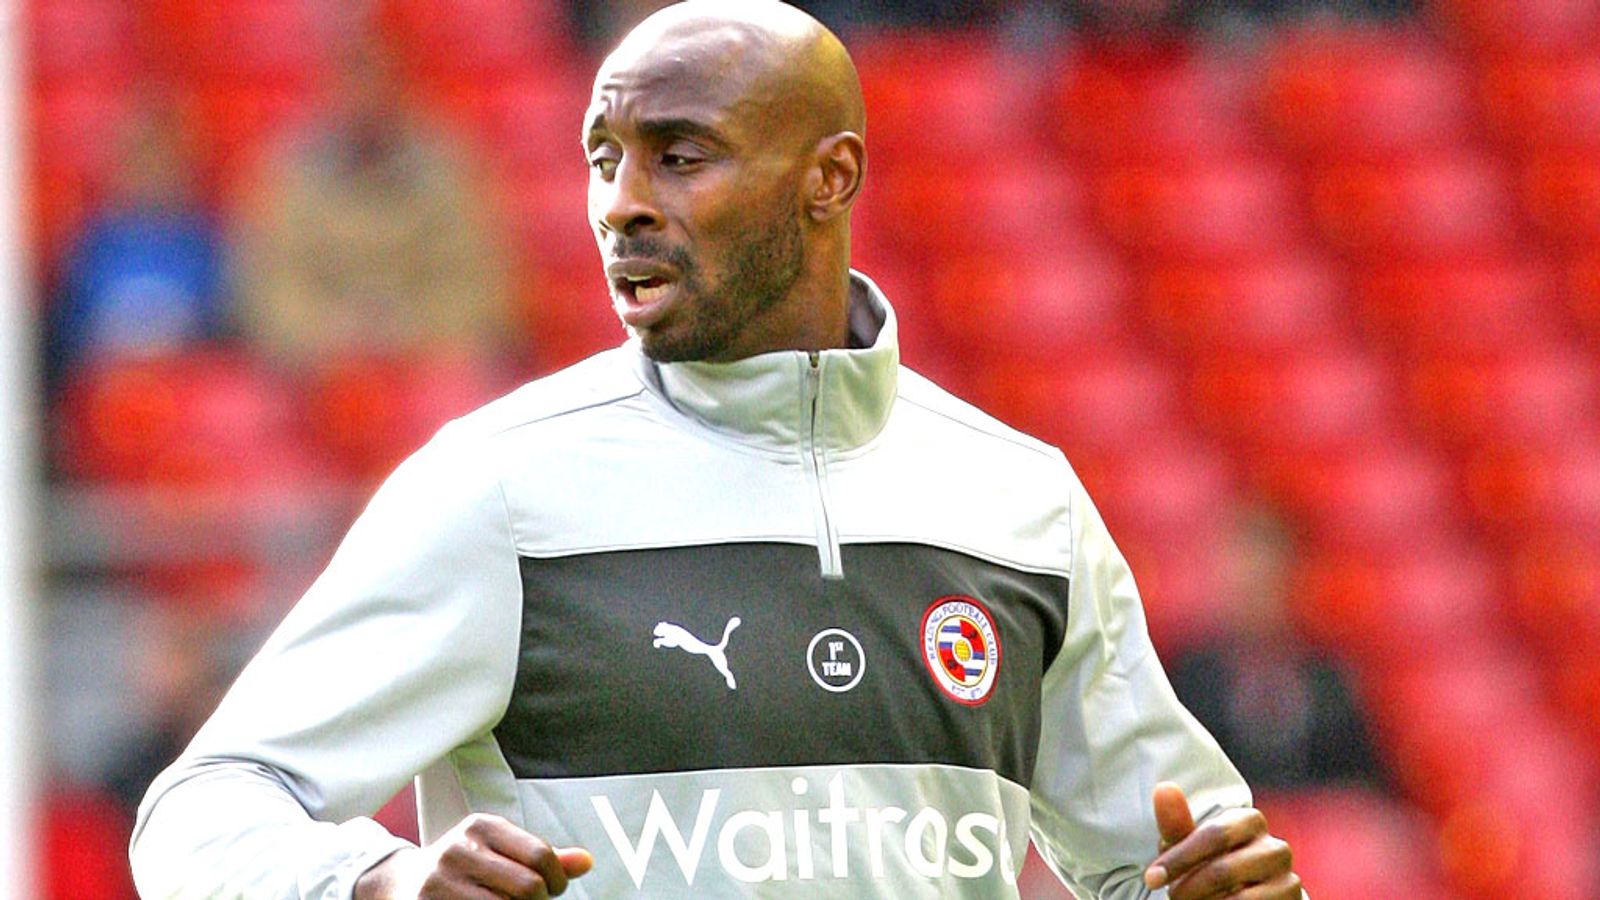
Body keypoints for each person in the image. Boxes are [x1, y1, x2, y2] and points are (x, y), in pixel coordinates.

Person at [130, 3, 1303, 898]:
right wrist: (377, 881)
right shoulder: (498, 490)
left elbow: (1167, 862)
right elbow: (199, 814)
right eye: (605, 159)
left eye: (679, 157)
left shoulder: (1018, 505)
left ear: (828, 178)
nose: (621, 204)